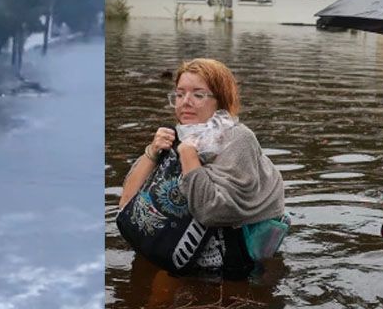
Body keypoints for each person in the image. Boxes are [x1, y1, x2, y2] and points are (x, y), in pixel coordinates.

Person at [117, 58, 286, 278]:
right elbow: (126, 204)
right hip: (174, 255)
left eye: (198, 95)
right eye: (179, 94)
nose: (185, 102)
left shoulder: (237, 139)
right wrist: (151, 152)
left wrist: (188, 155)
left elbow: (213, 211)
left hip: (225, 273)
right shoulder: (180, 134)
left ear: (220, 100)